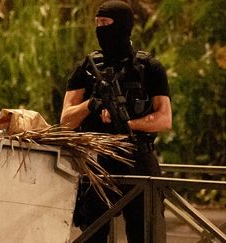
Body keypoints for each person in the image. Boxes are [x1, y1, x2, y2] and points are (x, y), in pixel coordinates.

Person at [60, 0, 172, 242]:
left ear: (123, 26)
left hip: (138, 158)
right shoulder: (87, 67)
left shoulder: (148, 67)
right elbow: (66, 120)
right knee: (93, 234)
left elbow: (164, 118)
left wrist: (128, 124)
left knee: (146, 233)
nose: (100, 29)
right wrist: (91, 105)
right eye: (97, 23)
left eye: (106, 23)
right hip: (98, 161)